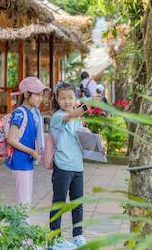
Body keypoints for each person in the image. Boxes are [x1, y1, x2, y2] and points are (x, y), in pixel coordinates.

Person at [49, 81, 90, 249]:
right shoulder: (58, 116)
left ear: (75, 98)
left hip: (77, 166)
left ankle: (78, 235)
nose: (67, 101)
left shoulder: (78, 119)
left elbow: (80, 140)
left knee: (77, 203)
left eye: (70, 98)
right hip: (63, 166)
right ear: (57, 100)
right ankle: (54, 238)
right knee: (59, 202)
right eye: (63, 98)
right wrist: (88, 105)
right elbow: (69, 116)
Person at [6, 77, 49, 222]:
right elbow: (11, 139)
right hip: (21, 163)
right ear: (26, 94)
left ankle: (24, 240)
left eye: (41, 95)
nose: (40, 99)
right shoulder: (20, 113)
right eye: (37, 95)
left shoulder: (32, 113)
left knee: (25, 203)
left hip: (26, 163)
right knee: (23, 204)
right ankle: (24, 242)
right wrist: (31, 151)